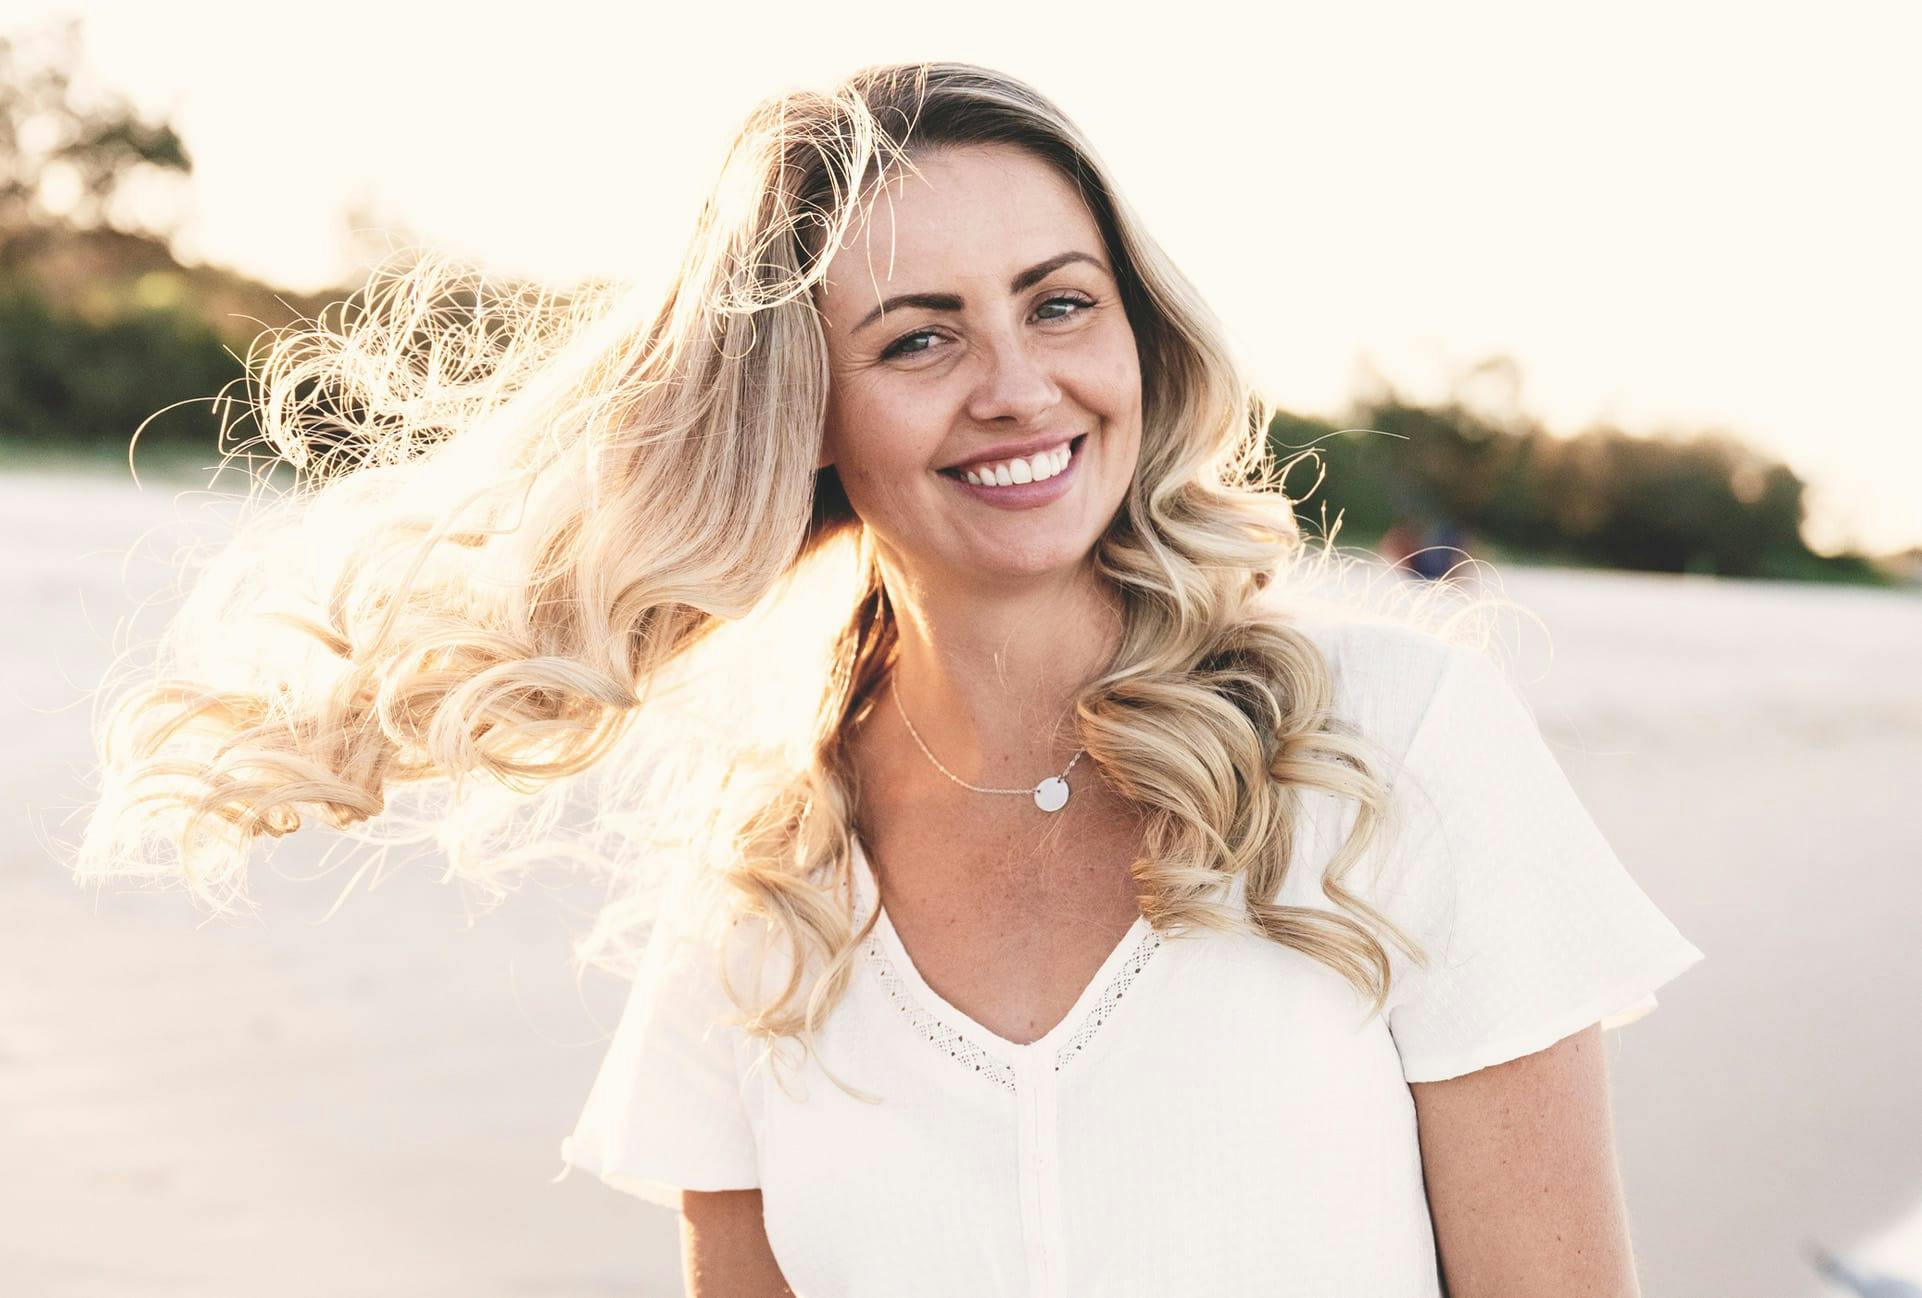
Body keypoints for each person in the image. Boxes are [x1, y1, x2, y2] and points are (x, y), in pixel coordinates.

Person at [71, 61, 1704, 1297]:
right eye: (918, 338)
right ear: (804, 413)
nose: (1018, 387)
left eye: (1060, 306)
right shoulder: (762, 879)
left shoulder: (1387, 741)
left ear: (1137, 338)